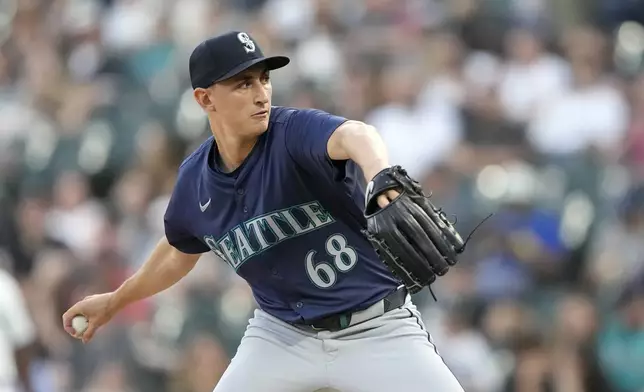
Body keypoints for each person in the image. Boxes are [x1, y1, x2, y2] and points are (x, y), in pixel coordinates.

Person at [62, 31, 465, 392]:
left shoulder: (291, 132)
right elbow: (175, 252)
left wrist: (380, 177)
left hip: (376, 327)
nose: (261, 94)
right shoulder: (195, 180)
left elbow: (357, 135)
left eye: (264, 79)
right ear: (205, 98)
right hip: (282, 337)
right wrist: (115, 301)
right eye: (243, 83)